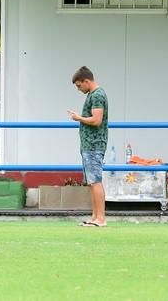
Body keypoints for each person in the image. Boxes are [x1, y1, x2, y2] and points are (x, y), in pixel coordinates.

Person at [68, 66, 109, 228]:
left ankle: (101, 218)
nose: (79, 89)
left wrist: (78, 118)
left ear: (87, 81)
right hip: (89, 144)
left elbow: (97, 120)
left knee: (96, 181)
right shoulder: (94, 94)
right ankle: (95, 216)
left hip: (94, 143)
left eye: (79, 85)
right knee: (92, 181)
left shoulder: (97, 95)